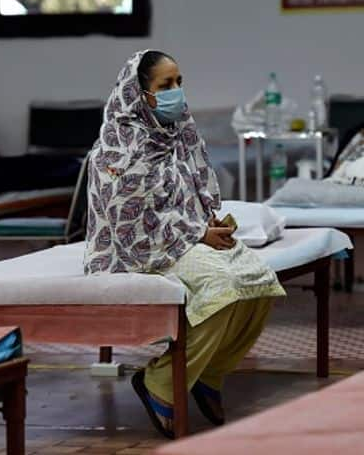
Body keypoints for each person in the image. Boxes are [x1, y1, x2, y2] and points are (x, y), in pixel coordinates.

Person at [84, 50, 285, 438]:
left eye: (179, 82)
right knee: (221, 287)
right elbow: (130, 220)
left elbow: (187, 194)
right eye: (165, 85)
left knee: (259, 279)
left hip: (179, 238)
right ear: (139, 93)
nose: (177, 92)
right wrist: (197, 234)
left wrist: (207, 223)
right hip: (135, 251)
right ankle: (159, 383)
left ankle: (210, 373)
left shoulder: (176, 134)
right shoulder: (117, 147)